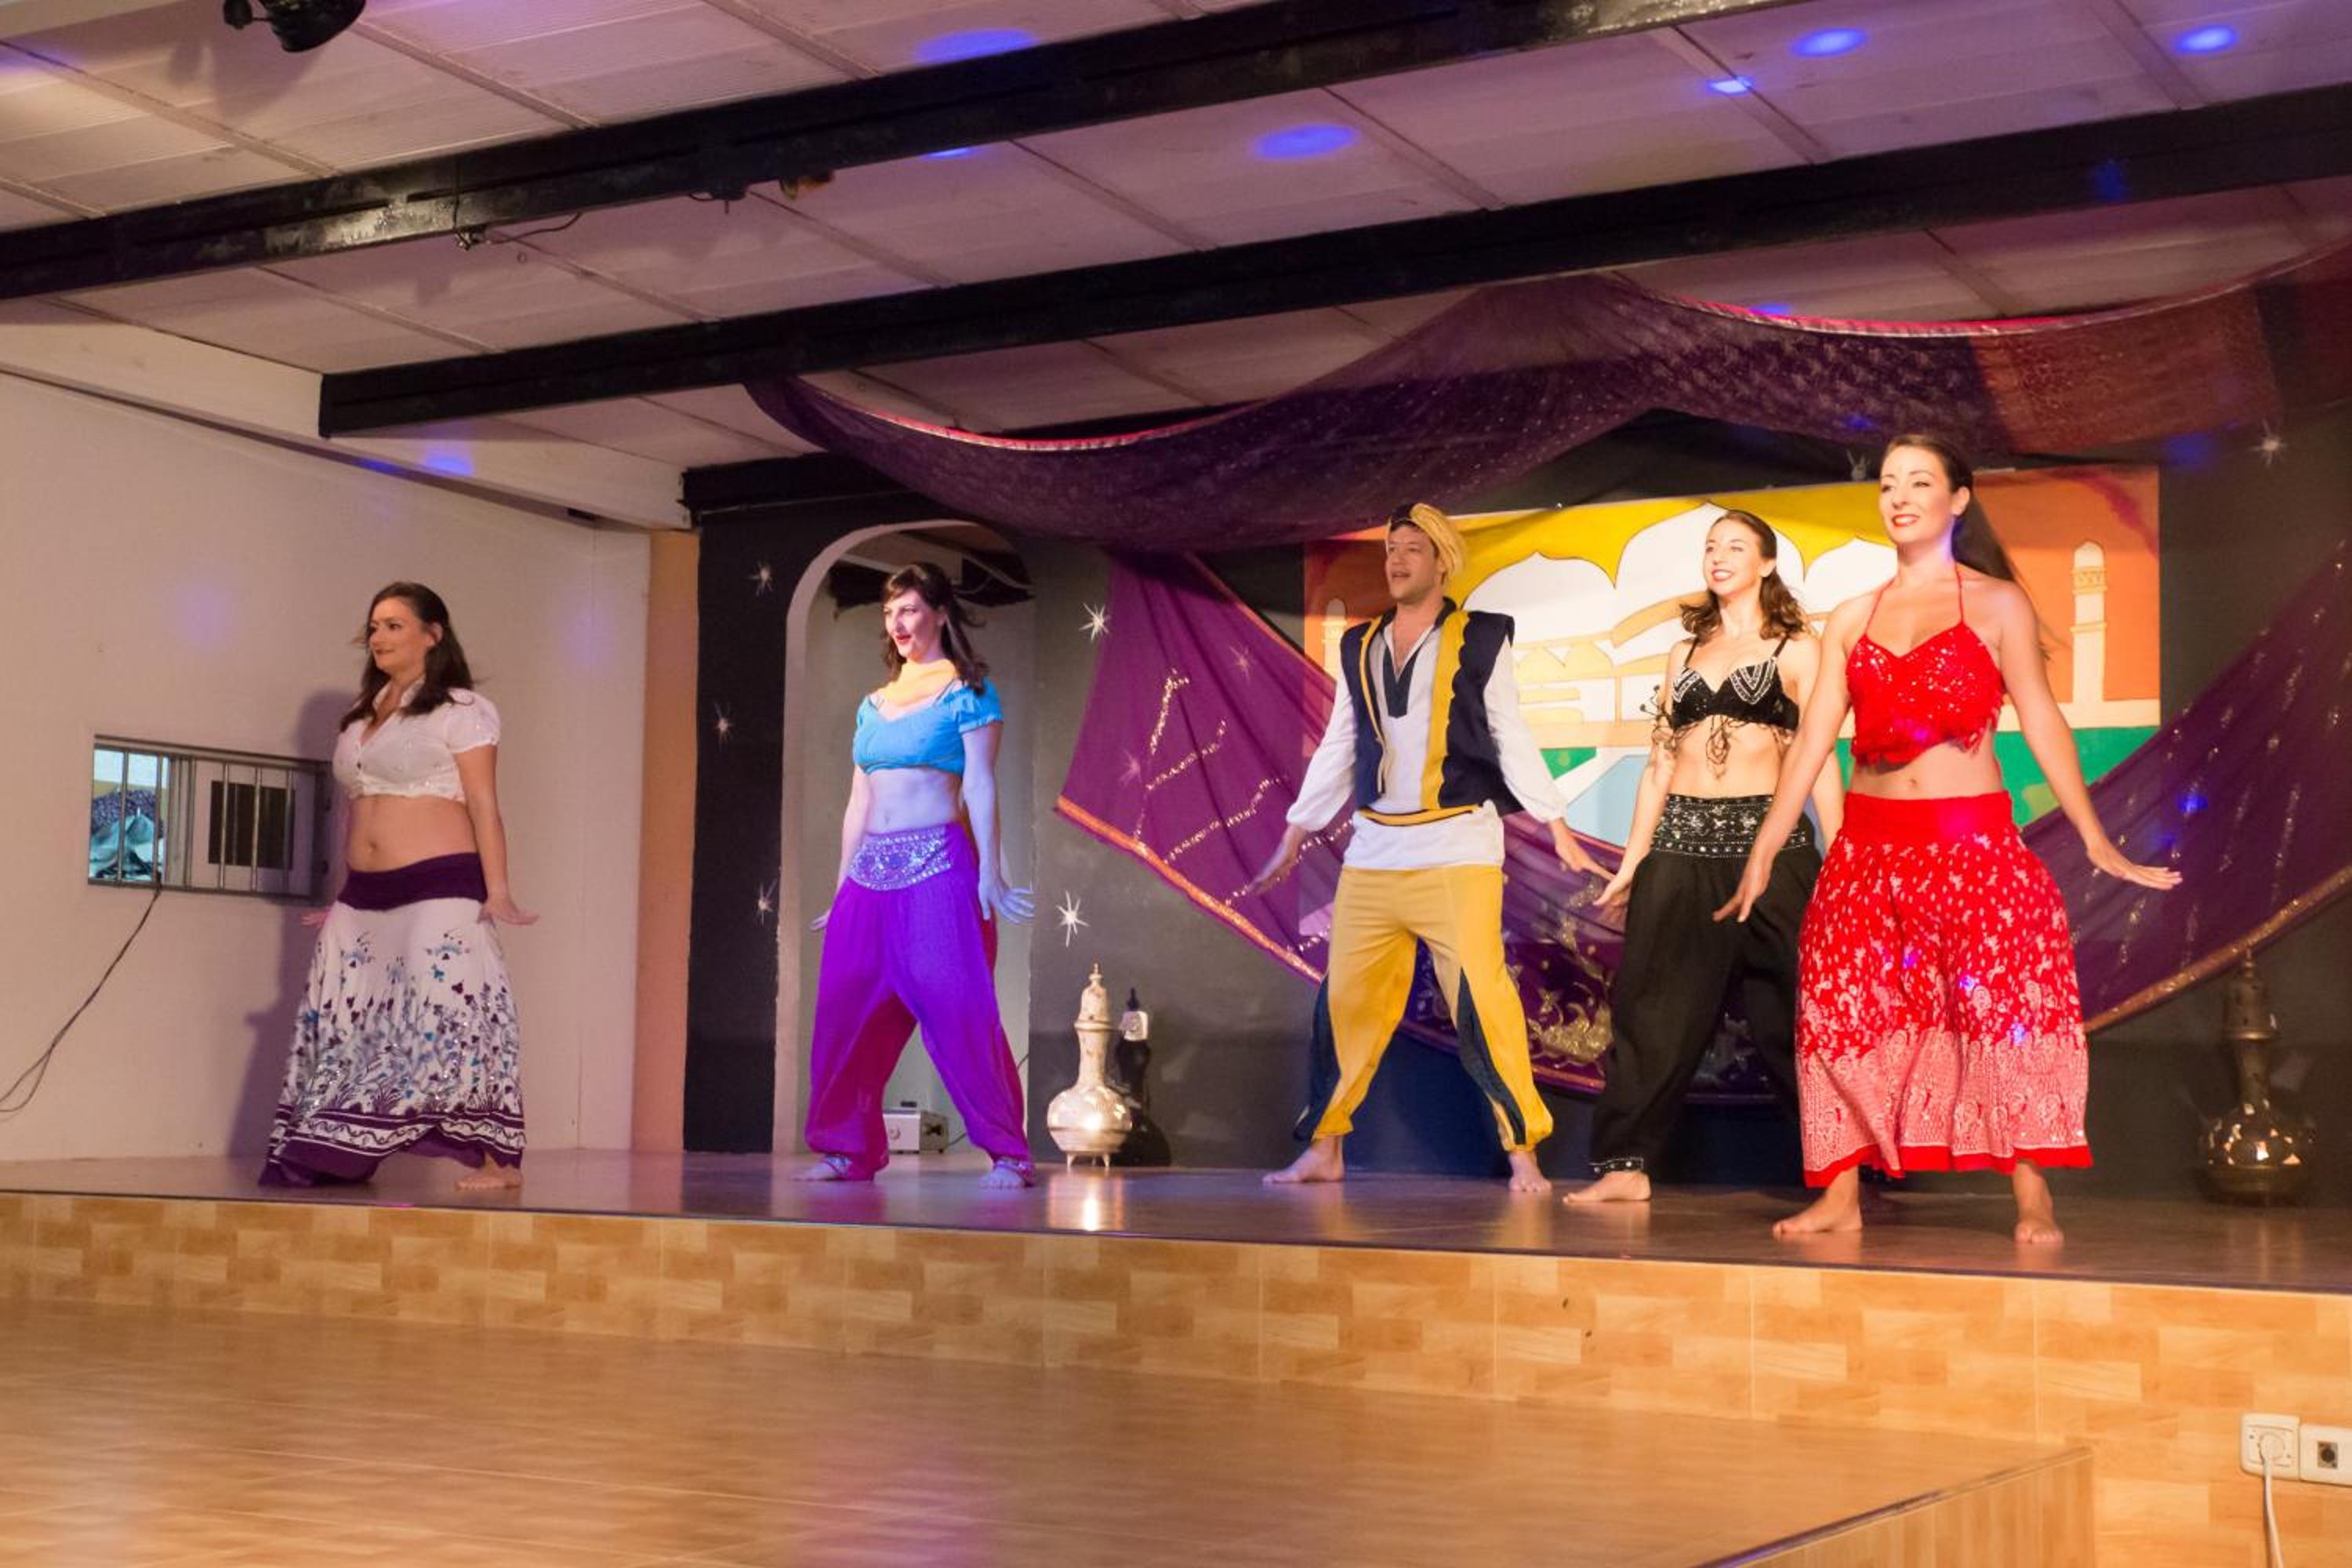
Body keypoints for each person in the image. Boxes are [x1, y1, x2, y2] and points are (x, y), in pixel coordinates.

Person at [1719, 436, 2179, 1243]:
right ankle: (1839, 1195)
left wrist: (2094, 836)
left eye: (1918, 482)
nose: (1899, 497)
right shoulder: (1852, 616)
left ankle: (2033, 1193)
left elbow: (2042, 719)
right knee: (1838, 1012)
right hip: (1866, 852)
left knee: (2007, 1009)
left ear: (1958, 500)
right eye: (1888, 484)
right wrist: (1764, 847)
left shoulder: (1997, 604)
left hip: (1972, 846)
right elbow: (1814, 737)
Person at [1246, 503, 1602, 1193]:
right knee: (1345, 1002)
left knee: (1482, 1000)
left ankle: (1522, 1152)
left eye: (1413, 548)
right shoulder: (1361, 644)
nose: (1398, 560)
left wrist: (1554, 820)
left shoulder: (1480, 638)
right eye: (1392, 549)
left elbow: (1508, 730)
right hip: (1376, 853)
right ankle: (1325, 1149)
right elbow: (1340, 744)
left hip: (1456, 847)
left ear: (1442, 561)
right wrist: (1297, 830)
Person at [1567, 510, 1843, 1205]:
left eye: (1735, 547)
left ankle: (1841, 1173)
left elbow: (1819, 760)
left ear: (1767, 562)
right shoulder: (1683, 654)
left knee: (1793, 1014)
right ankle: (1625, 1167)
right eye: (1711, 546)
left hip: (1770, 850)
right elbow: (1659, 764)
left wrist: (1841, 856)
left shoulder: (1798, 649)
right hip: (1681, 848)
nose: (1718, 557)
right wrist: (1634, 861)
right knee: (1652, 1009)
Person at [264, 583, 534, 1190]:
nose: (378, 637)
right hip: (365, 895)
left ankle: (498, 1162)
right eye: (374, 627)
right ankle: (338, 1148)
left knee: (447, 1014)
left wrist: (498, 889)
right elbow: (357, 811)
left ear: (433, 635)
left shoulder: (461, 709)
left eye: (393, 625)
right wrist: (343, 892)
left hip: (438, 883)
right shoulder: (365, 712)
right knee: (349, 1017)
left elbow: (484, 803)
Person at [797, 562, 1036, 1189]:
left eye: (908, 609)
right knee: (845, 1010)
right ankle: (845, 1149)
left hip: (937, 865)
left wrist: (991, 870)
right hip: (870, 873)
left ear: (939, 613)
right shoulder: (872, 706)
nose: (898, 623)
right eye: (889, 613)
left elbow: (981, 785)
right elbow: (858, 802)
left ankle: (1008, 1152)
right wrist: (841, 886)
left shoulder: (968, 692)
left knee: (958, 1007)